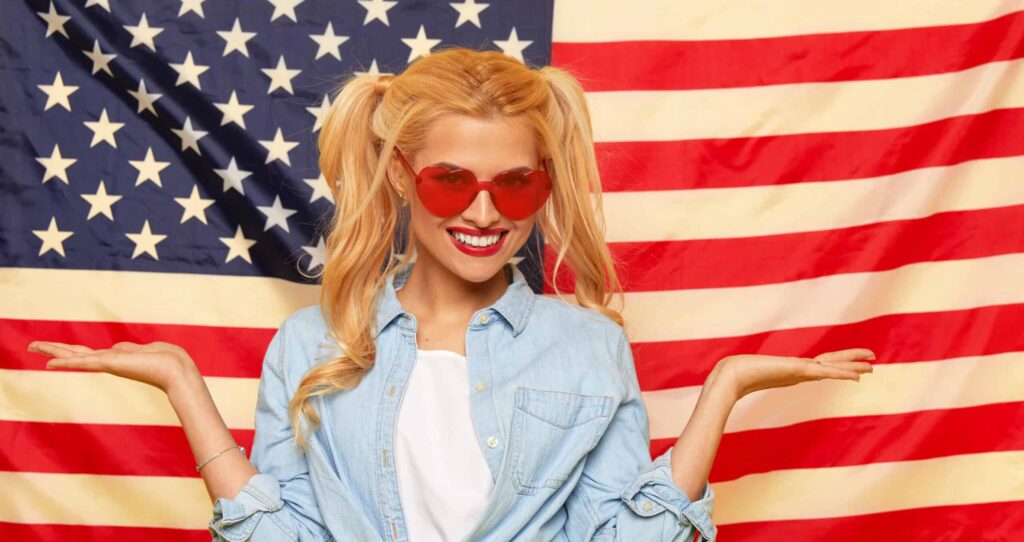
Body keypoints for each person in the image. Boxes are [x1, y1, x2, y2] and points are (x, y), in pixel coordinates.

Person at [26, 47, 875, 541]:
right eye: (449, 181)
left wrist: (721, 391)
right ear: (400, 175)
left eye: (514, 185)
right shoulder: (312, 347)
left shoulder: (586, 347)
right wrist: (184, 384)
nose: (482, 213)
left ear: (543, 187)